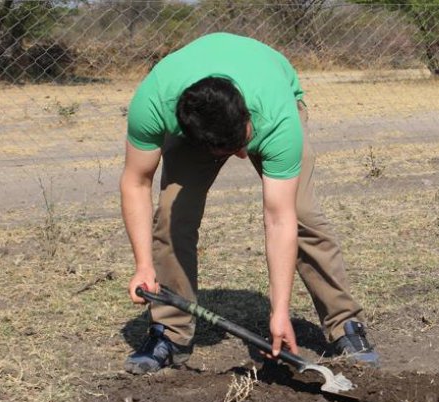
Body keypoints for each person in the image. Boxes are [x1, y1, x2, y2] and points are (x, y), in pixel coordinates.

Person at [119, 32, 379, 374]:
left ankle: (344, 322)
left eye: (244, 143)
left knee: (301, 215)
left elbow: (279, 218)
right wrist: (143, 266)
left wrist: (280, 311)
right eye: (232, 152)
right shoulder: (153, 105)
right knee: (172, 214)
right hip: (196, 117)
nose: (243, 156)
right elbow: (136, 182)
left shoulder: (276, 117)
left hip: (269, 100)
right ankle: (169, 332)